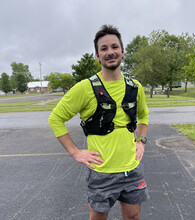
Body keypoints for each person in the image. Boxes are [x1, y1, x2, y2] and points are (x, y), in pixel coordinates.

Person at [48, 24, 149, 220]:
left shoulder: (135, 87)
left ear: (122, 51)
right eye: (104, 49)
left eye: (114, 47)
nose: (110, 52)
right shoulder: (85, 88)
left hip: (132, 169)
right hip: (101, 171)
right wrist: (75, 152)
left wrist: (141, 140)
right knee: (98, 218)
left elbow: (144, 116)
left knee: (133, 216)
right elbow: (56, 118)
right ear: (97, 55)